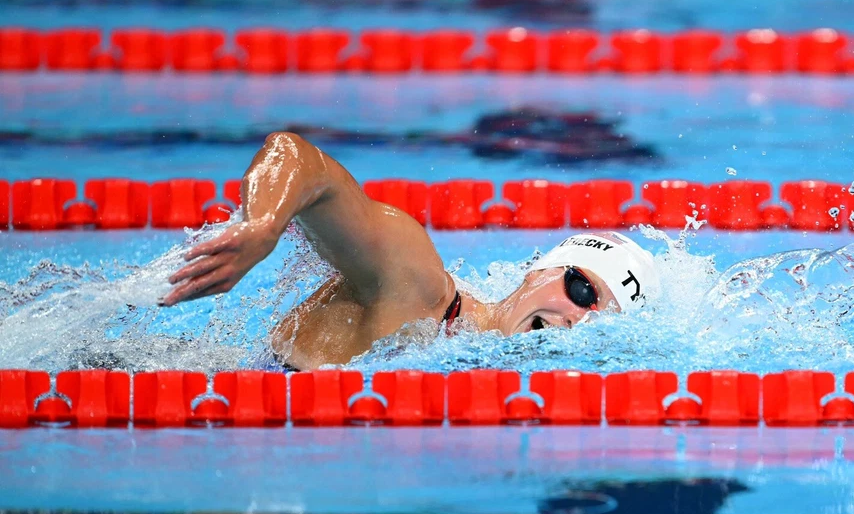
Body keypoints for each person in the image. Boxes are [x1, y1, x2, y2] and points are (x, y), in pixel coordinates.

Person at [162, 132, 660, 370]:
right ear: (537, 272)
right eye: (582, 289)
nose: (579, 319)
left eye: (602, 322)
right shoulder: (421, 290)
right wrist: (265, 224)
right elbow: (297, 156)